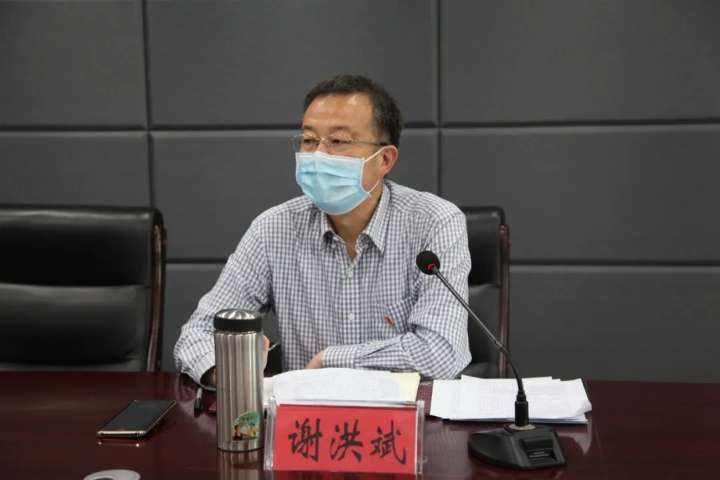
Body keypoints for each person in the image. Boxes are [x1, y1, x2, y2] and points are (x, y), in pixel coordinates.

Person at [174, 74, 471, 385]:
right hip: (305, 412)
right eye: (309, 140)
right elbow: (197, 334)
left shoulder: (433, 223)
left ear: (384, 159)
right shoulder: (274, 229)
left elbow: (441, 353)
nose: (318, 155)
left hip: (407, 412)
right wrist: (230, 367)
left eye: (338, 141)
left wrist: (332, 361)